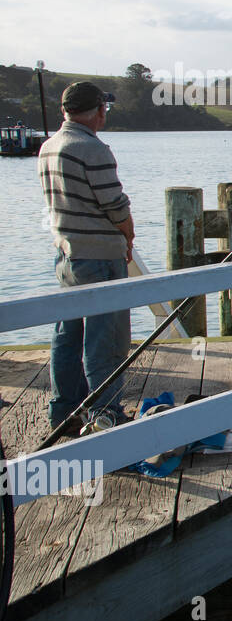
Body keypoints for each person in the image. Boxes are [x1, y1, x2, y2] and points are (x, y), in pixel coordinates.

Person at [38, 82, 135, 432]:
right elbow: (114, 205)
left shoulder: (49, 147)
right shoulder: (92, 149)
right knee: (105, 338)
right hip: (99, 258)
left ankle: (64, 412)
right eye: (104, 108)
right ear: (98, 110)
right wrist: (128, 231)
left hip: (66, 256)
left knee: (68, 335)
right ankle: (105, 413)